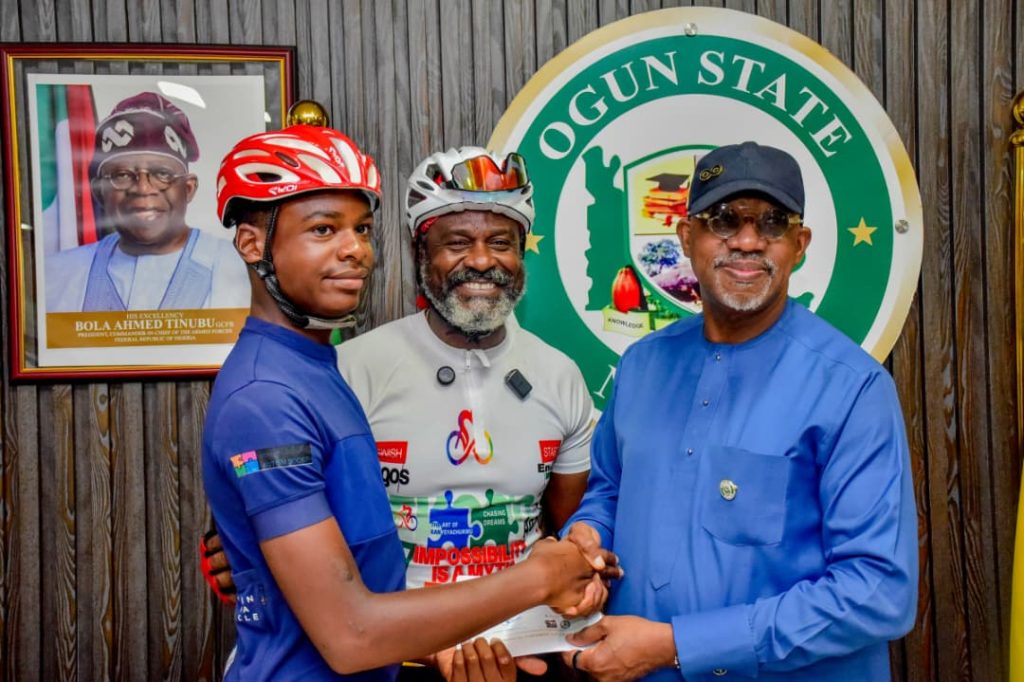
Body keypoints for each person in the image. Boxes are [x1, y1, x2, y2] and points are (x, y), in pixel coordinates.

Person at [202, 125, 614, 681]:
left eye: (501, 242)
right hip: (391, 654)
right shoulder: (321, 375)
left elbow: (576, 527)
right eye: (456, 242)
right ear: (421, 252)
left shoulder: (315, 366)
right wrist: (241, 556)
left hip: (517, 650)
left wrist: (582, 567)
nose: (481, 261)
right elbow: (341, 617)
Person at [561, 141, 918, 682]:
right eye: (724, 220)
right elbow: (609, 491)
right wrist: (587, 538)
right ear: (687, 238)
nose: (748, 241)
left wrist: (677, 646)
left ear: (799, 245)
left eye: (772, 223)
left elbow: (878, 591)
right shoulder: (641, 365)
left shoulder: (852, 389)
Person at [46, 91, 248, 312]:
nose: (143, 188)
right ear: (99, 192)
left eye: (162, 174)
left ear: (188, 189)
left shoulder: (241, 271)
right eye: (121, 175)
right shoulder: (58, 275)